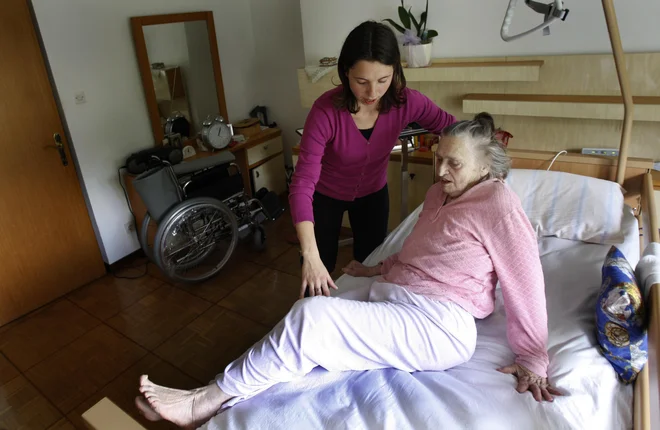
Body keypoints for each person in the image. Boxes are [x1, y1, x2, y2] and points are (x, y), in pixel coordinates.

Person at [134, 113, 560, 428]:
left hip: (440, 324)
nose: (441, 170)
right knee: (320, 301)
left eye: (455, 164)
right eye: (439, 158)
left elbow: (525, 280)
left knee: (312, 320)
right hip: (399, 293)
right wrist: (377, 268)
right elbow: (422, 250)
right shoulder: (437, 194)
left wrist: (533, 357)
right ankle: (228, 390)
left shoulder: (497, 204)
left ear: (486, 167)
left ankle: (203, 401)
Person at [289, 21, 456, 299]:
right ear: (345, 73)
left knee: (370, 264)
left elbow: (451, 128)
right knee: (319, 268)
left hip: (372, 196)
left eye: (383, 80)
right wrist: (310, 254)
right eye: (361, 82)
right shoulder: (325, 112)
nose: (372, 93)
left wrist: (484, 146)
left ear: (395, 72)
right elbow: (303, 182)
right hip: (325, 197)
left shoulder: (407, 102)